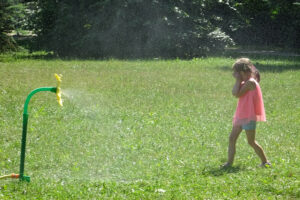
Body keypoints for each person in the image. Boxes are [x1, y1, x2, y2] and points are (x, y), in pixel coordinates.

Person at [223, 58, 271, 168]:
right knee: (232, 138)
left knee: (251, 141)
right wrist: (239, 80)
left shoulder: (250, 82)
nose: (233, 74)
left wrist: (237, 80)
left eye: (235, 72)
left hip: (249, 116)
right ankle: (229, 163)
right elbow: (234, 93)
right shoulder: (245, 82)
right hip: (241, 115)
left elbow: (237, 94)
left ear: (242, 72)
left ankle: (265, 162)